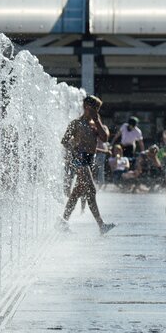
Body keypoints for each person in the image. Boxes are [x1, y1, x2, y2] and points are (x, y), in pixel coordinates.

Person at [60, 95, 115, 234]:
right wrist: (74, 151)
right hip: (78, 159)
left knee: (77, 192)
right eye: (94, 107)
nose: (96, 110)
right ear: (85, 106)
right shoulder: (76, 123)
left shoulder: (96, 123)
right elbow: (64, 141)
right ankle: (101, 225)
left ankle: (62, 220)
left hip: (89, 160)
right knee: (91, 190)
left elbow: (105, 138)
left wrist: (97, 121)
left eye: (98, 108)